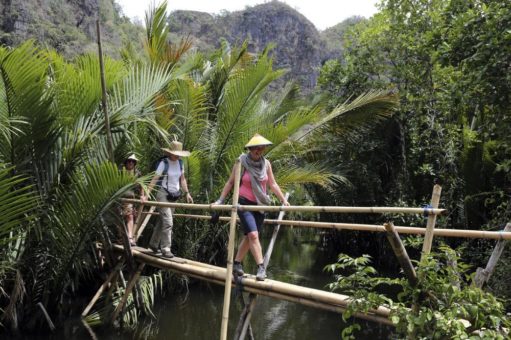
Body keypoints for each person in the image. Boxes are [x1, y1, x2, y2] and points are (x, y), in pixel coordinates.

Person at [214, 134, 289, 281]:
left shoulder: (266, 164)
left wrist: (283, 200)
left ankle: (236, 263)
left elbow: (272, 184)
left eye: (262, 148)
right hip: (244, 203)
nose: (259, 150)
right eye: (256, 148)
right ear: (250, 148)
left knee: (249, 237)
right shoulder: (241, 161)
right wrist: (220, 200)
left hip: (261, 205)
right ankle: (261, 268)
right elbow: (230, 183)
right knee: (254, 235)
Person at [144, 141, 193, 258]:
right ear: (170, 153)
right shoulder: (164, 163)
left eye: (178, 153)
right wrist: (146, 194)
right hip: (162, 194)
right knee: (168, 222)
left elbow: (182, 179)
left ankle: (153, 244)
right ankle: (166, 248)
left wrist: (187, 193)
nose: (177, 155)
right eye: (175, 153)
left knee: (163, 221)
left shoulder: (180, 163)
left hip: (174, 195)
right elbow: (155, 179)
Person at [121, 154, 145, 246]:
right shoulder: (120, 172)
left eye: (132, 161)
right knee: (122, 218)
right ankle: (122, 238)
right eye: (129, 161)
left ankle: (130, 238)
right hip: (120, 198)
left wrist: (142, 195)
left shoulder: (137, 173)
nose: (131, 163)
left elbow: (142, 185)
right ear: (126, 162)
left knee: (130, 216)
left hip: (131, 199)